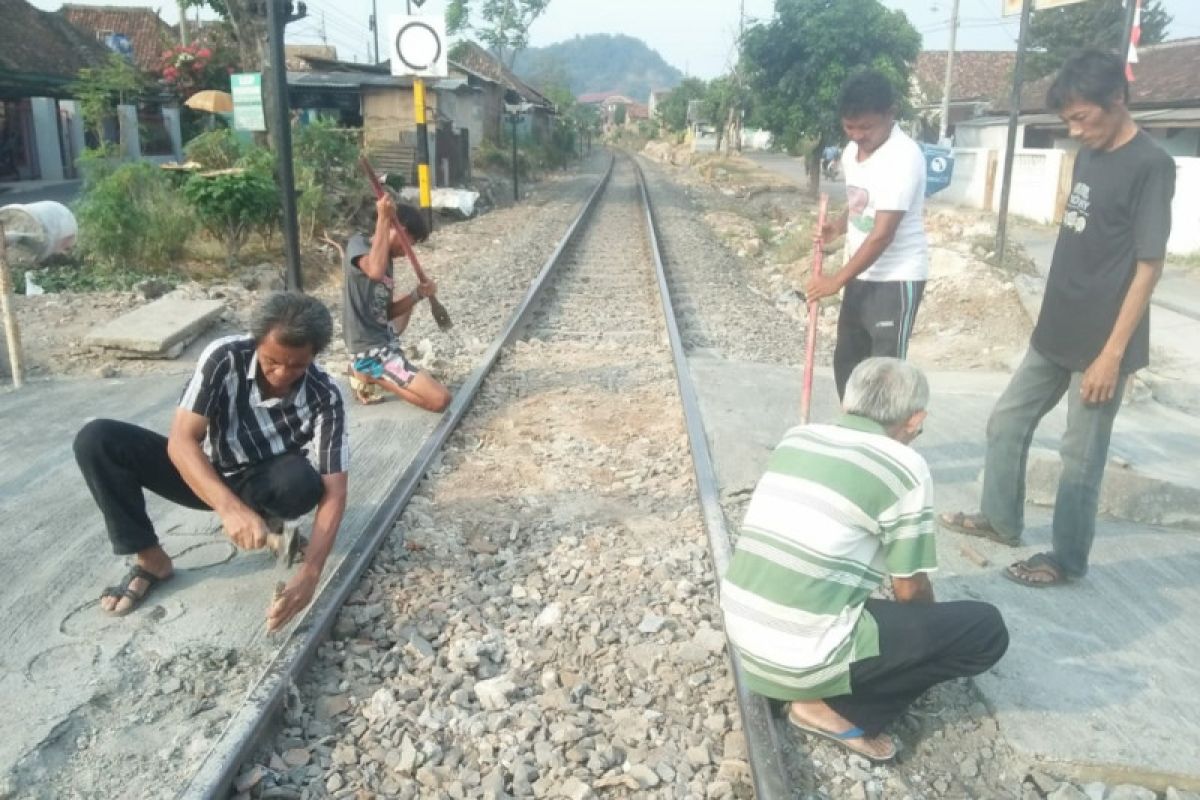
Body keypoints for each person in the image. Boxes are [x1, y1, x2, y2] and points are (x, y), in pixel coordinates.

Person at [940, 50, 1175, 588]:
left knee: (1079, 456)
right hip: (1056, 328)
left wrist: (1112, 356)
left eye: (1081, 117)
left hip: (1103, 343)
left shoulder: (1151, 165)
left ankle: (1067, 559)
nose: (1074, 129)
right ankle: (1001, 520)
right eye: (1067, 120)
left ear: (1115, 101)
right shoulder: (1090, 153)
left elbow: (1149, 266)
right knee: (1007, 421)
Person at [720, 358, 1008, 762]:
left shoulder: (798, 437)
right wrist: (926, 635)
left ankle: (816, 683)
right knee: (985, 630)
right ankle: (830, 709)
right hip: (795, 656)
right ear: (915, 420)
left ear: (847, 402)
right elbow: (910, 587)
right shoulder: (905, 466)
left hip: (744, 634)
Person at [74, 293, 349, 632]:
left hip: (266, 481)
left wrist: (311, 573)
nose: (281, 374)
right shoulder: (224, 358)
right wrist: (228, 508)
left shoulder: (325, 395)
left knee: (303, 482)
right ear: (257, 343)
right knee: (98, 439)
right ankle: (151, 560)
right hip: (207, 475)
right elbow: (181, 440)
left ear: (314, 356)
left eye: (296, 365)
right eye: (271, 361)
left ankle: (268, 520)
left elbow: (335, 491)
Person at [806, 70, 930, 400]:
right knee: (847, 364)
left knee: (884, 377)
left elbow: (883, 233)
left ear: (890, 114)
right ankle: (852, 436)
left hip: (895, 280)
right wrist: (838, 225)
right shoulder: (851, 152)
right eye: (850, 127)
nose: (858, 135)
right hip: (860, 274)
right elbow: (863, 203)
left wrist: (835, 281)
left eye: (866, 128)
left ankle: (884, 443)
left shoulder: (903, 157)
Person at [343, 194, 451, 412]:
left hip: (382, 333)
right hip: (370, 347)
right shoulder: (359, 244)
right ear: (398, 227)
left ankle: (379, 369)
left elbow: (387, 312)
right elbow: (374, 271)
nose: (410, 246)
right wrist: (383, 217)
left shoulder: (387, 261)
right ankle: (371, 373)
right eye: (411, 239)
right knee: (440, 400)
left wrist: (417, 295)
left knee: (405, 300)